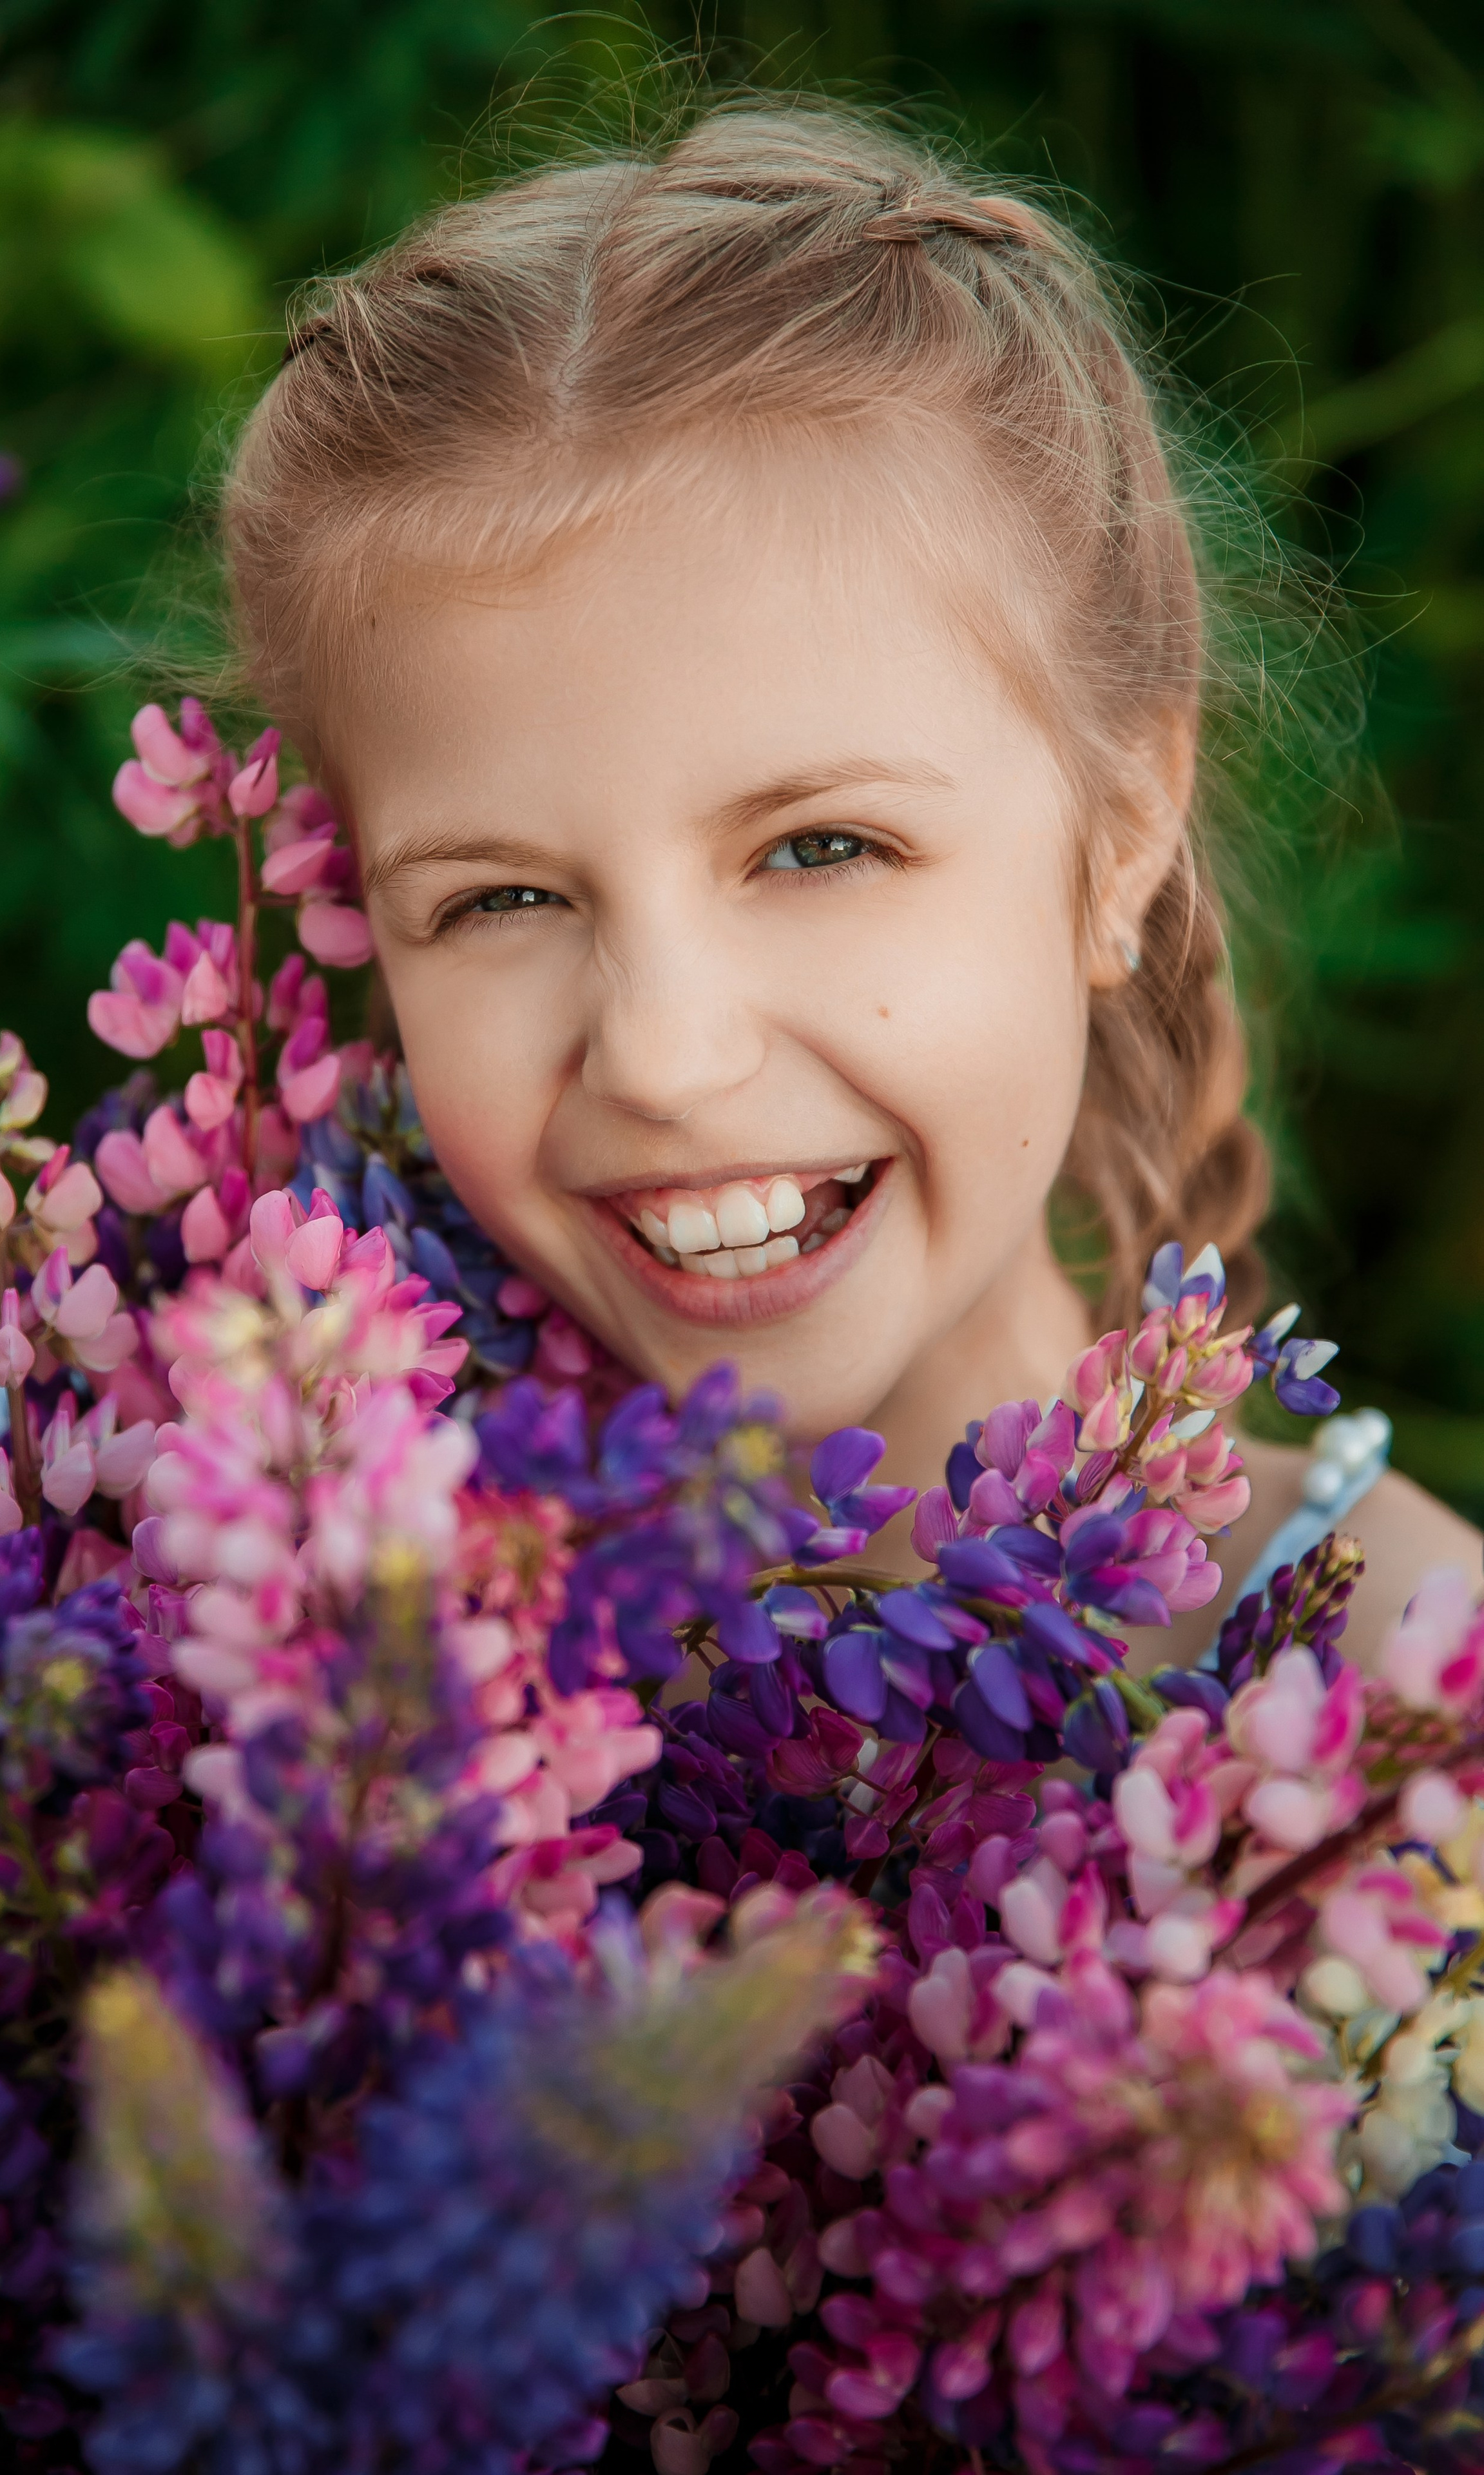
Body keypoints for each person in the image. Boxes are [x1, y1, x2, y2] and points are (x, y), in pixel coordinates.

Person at [220, 96, 1478, 1665]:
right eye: (500, 899)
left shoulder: (1404, 1703)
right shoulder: (329, 1655)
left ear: (1126, 828)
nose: (665, 1060)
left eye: (820, 848)